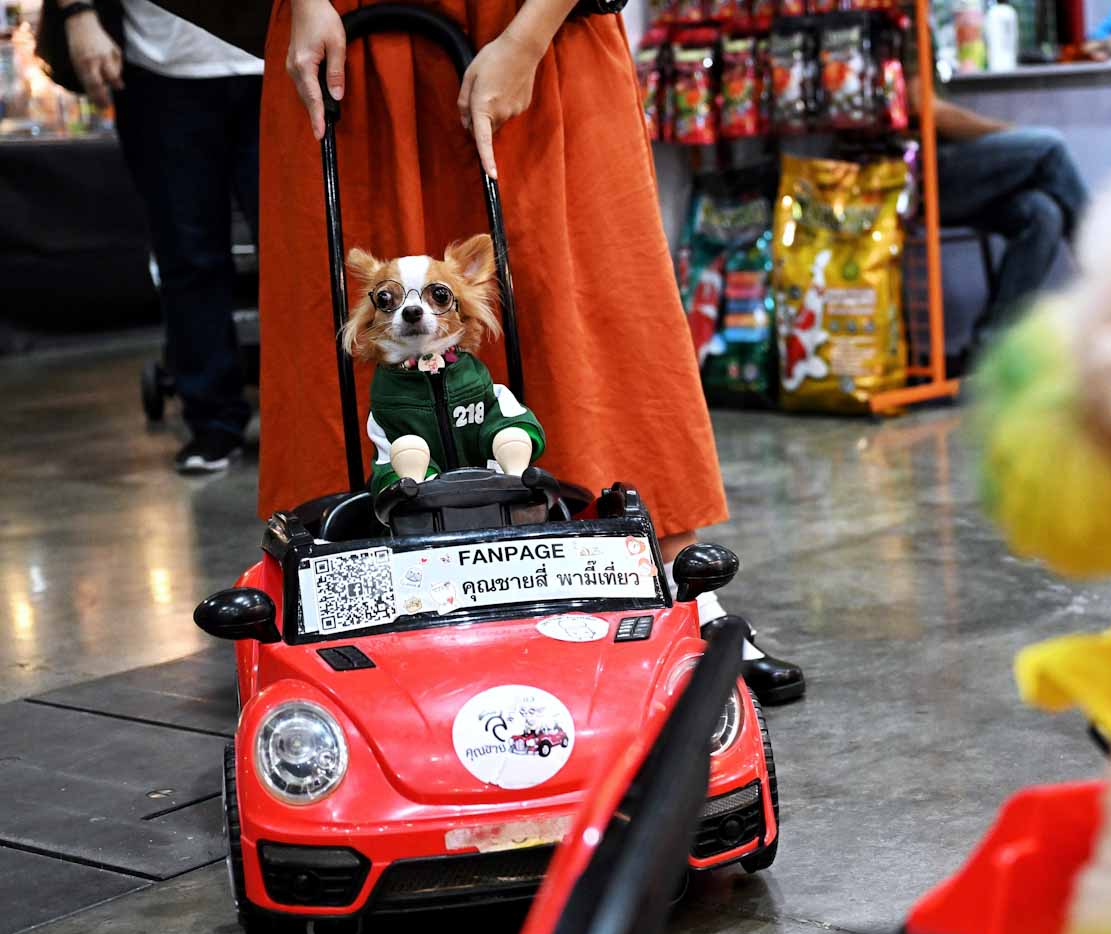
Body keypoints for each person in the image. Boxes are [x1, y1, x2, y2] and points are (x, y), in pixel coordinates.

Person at [264, 0, 803, 699]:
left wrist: (528, 36)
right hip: (350, 43)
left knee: (592, 307)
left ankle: (681, 588)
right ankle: (330, 613)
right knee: (357, 299)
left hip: (537, 34)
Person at [60, 0, 261, 474]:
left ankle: (317, 418)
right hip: (159, 63)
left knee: (300, 252)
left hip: (278, 52)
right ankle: (212, 420)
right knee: (186, 253)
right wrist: (76, 10)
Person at [928, 101, 1088, 343]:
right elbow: (931, 111)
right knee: (1050, 147)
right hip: (922, 173)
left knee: (1042, 213)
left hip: (946, 174)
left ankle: (992, 346)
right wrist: (1006, 133)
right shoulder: (910, 61)